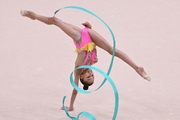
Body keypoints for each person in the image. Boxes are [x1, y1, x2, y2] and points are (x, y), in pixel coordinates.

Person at [20, 10, 151, 111]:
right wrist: (90, 28)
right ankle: (137, 68)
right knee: (111, 50)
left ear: (82, 76)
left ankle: (34, 15)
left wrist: (71, 107)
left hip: (79, 38)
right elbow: (93, 48)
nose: (91, 74)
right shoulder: (94, 62)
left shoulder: (77, 71)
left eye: (88, 77)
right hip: (89, 35)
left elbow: (75, 90)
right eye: (92, 76)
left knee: (55, 20)